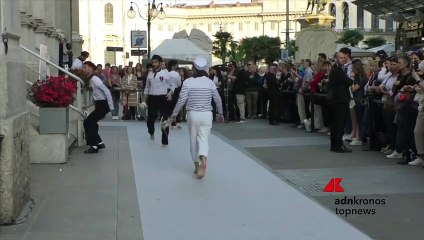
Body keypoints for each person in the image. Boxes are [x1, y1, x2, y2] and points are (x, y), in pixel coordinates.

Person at [170, 57, 224, 179]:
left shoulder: (188, 82)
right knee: (203, 139)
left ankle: (196, 166)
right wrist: (220, 113)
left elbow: (181, 100)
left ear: (194, 68)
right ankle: (203, 158)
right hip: (207, 114)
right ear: (205, 68)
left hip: (193, 114)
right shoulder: (210, 82)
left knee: (193, 140)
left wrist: (174, 114)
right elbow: (217, 99)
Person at [141, 55, 175, 145]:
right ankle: (151, 131)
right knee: (150, 118)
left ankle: (164, 140)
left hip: (162, 98)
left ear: (160, 63)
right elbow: (147, 88)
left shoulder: (166, 73)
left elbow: (173, 84)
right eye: (153, 62)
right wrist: (144, 100)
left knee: (165, 119)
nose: (154, 64)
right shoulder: (150, 74)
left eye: (156, 62)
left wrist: (170, 93)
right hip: (152, 98)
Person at [82, 61, 114, 154]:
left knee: (90, 122)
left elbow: (106, 91)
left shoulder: (95, 78)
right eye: (83, 67)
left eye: (85, 67)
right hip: (99, 104)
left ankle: (94, 146)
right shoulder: (90, 79)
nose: (83, 69)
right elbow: (95, 94)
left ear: (91, 69)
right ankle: (99, 143)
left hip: (103, 104)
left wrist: (111, 107)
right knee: (89, 122)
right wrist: (90, 104)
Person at [329, 52, 353, 153]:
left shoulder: (336, 70)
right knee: (339, 124)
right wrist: (351, 77)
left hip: (338, 100)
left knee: (336, 124)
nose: (343, 59)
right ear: (336, 59)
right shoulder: (337, 70)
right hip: (340, 100)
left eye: (344, 57)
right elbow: (348, 82)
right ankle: (338, 145)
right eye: (340, 58)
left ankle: (335, 144)